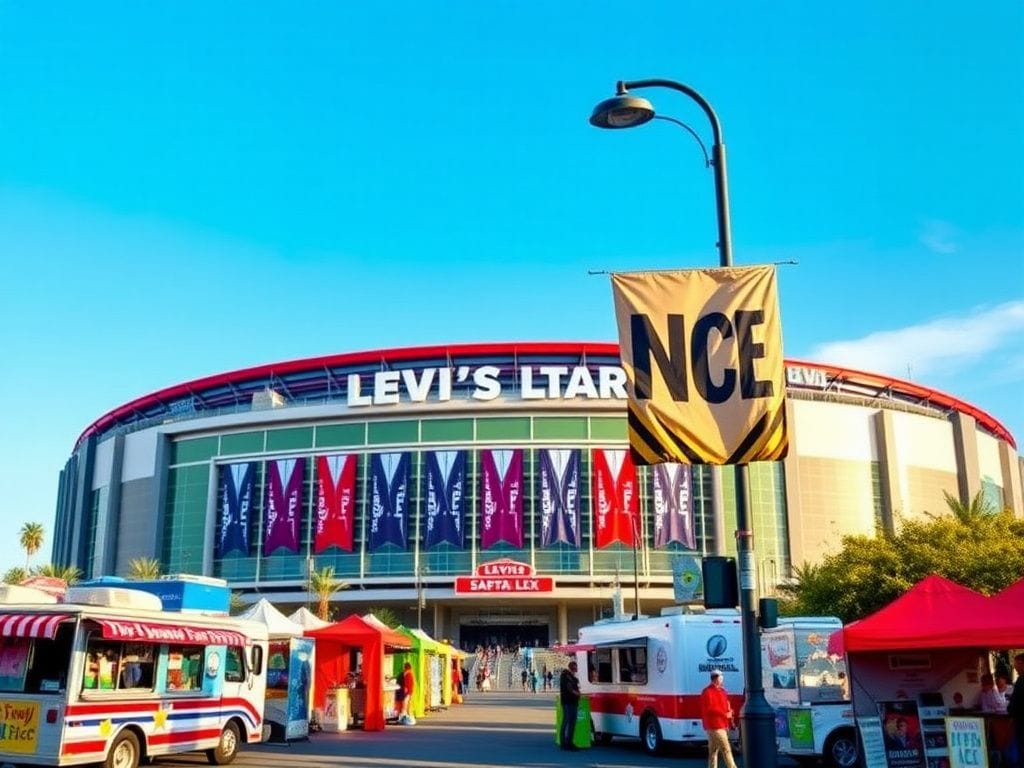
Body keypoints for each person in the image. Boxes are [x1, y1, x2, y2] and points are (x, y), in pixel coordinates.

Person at [700, 670, 737, 768]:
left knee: (713, 751)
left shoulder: (722, 691)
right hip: (715, 725)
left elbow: (724, 705)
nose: (722, 679)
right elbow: (711, 708)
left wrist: (729, 712)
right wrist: (725, 714)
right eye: (721, 677)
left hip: (720, 724)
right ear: (716, 678)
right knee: (726, 749)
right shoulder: (708, 692)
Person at [558, 661, 581, 752]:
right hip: (569, 702)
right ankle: (568, 743)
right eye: (575, 668)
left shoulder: (569, 676)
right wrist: (578, 694)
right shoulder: (567, 676)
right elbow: (570, 688)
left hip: (568, 702)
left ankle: (564, 742)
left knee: (566, 722)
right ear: (572, 668)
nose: (576, 670)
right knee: (570, 722)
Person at [1007, 653, 1024, 768]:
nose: (1015, 667)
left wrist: (1010, 710)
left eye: (1017, 664)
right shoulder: (1020, 680)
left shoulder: (1021, 681)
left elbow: (1016, 702)